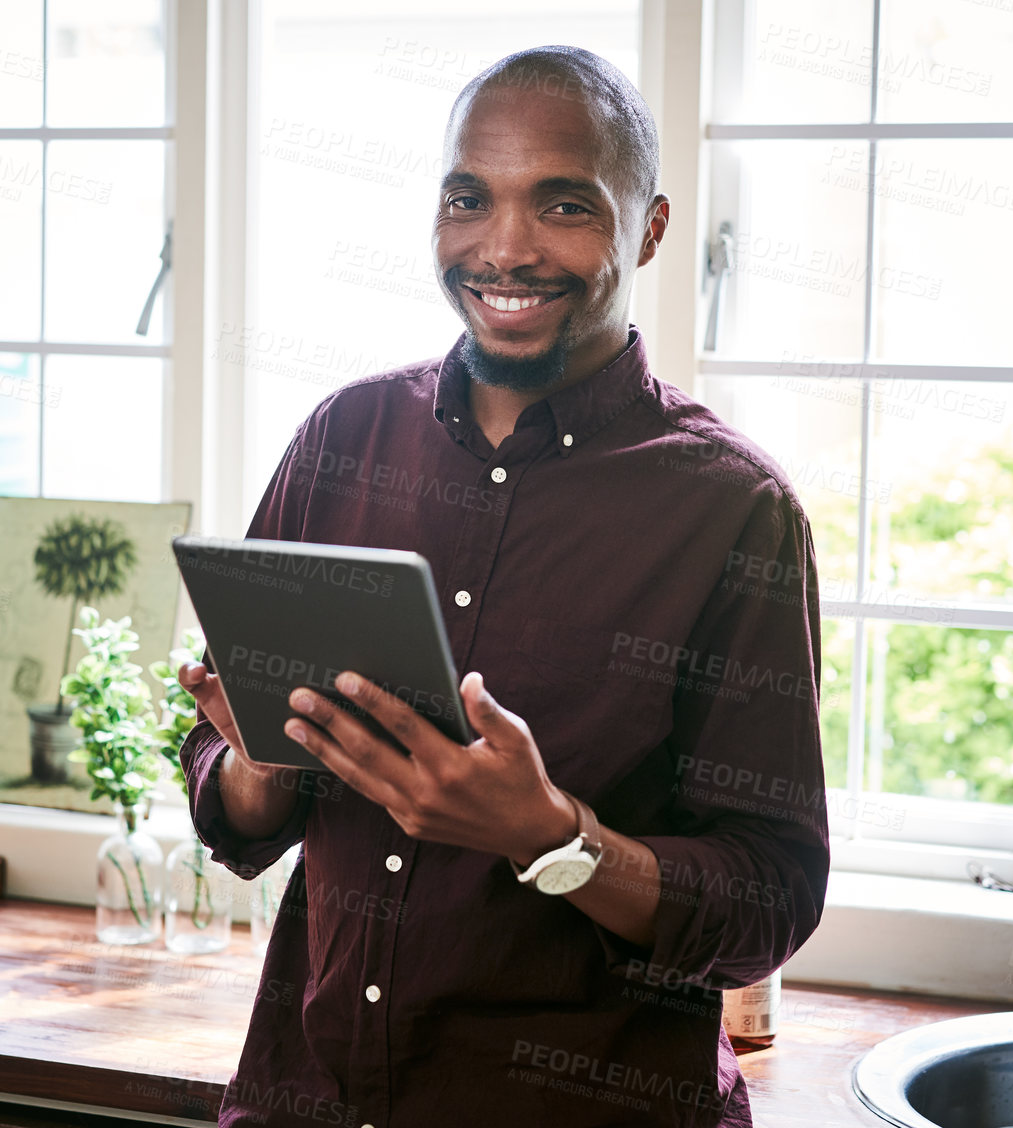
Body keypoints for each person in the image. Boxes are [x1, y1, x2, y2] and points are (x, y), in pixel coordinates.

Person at [176, 44, 829, 1128]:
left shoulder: (732, 510)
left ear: (649, 228)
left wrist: (553, 838)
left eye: (563, 205)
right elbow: (225, 767)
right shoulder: (343, 437)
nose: (504, 249)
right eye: (468, 199)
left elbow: (768, 897)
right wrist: (252, 773)